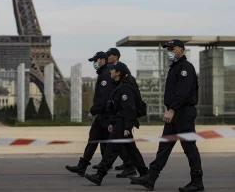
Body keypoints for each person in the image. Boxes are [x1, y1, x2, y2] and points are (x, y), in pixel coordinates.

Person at [130, 39, 204, 192]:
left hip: (182, 113)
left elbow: (183, 92)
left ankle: (197, 182)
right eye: (167, 49)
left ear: (181, 50)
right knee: (164, 147)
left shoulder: (185, 68)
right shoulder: (175, 67)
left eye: (172, 48)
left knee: (189, 148)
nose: (169, 51)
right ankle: (151, 178)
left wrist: (172, 109)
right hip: (175, 113)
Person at [84, 62, 148, 186]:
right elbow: (116, 108)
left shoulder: (124, 88)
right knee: (131, 150)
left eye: (112, 70)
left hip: (123, 123)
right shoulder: (117, 86)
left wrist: (127, 127)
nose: (110, 72)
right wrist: (112, 122)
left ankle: (100, 175)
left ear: (118, 73)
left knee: (111, 150)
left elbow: (128, 109)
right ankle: (145, 174)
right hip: (119, 122)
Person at [65, 51, 113, 176]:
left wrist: (93, 111)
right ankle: (83, 166)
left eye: (95, 61)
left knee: (112, 144)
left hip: (105, 115)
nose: (94, 64)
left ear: (103, 60)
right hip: (101, 115)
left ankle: (136, 167)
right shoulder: (103, 74)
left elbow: (104, 98)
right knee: (93, 139)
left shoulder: (106, 75)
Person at [106, 48, 139, 178]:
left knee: (118, 144)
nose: (108, 57)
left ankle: (102, 170)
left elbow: (128, 101)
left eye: (110, 55)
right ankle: (133, 167)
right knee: (125, 144)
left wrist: (128, 123)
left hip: (124, 115)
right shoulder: (115, 74)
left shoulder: (123, 78)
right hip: (119, 114)